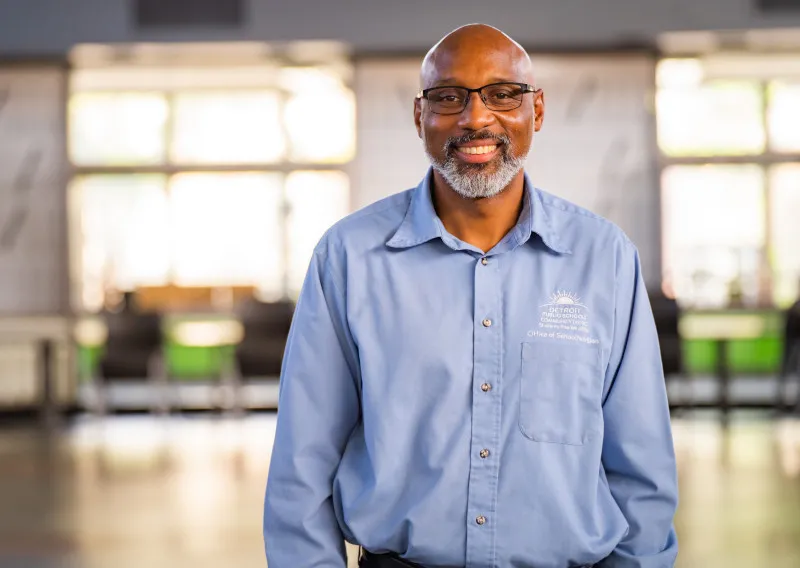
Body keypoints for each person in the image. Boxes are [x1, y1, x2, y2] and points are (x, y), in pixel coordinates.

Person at [264, 23, 678, 568]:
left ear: (538, 111)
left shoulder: (605, 259)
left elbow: (641, 470)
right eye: (448, 97)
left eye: (503, 95)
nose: (476, 118)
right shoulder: (349, 259)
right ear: (420, 117)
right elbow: (303, 462)